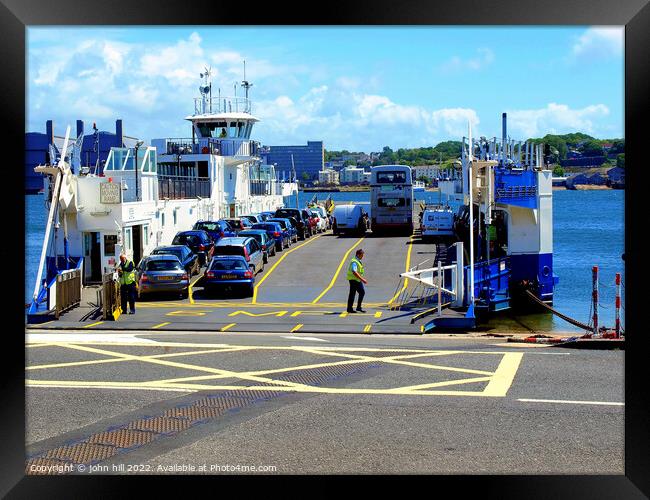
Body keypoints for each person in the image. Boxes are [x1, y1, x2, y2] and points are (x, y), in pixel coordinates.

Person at [346, 248, 368, 313]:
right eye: (362, 255)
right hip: (354, 279)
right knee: (354, 293)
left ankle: (356, 307)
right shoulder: (354, 262)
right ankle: (350, 308)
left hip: (356, 279)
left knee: (359, 292)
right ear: (358, 255)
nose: (362, 256)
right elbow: (354, 272)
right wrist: (362, 279)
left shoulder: (357, 260)